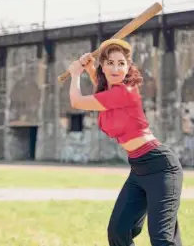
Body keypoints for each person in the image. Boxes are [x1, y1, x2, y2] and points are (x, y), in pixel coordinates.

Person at [68, 38, 183, 246]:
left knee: (161, 239)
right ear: (103, 66)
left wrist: (76, 73)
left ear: (128, 66)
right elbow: (103, 88)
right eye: (110, 63)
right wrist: (90, 67)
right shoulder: (111, 95)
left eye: (121, 63)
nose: (116, 68)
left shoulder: (126, 92)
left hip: (161, 167)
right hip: (138, 169)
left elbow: (76, 101)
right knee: (119, 230)